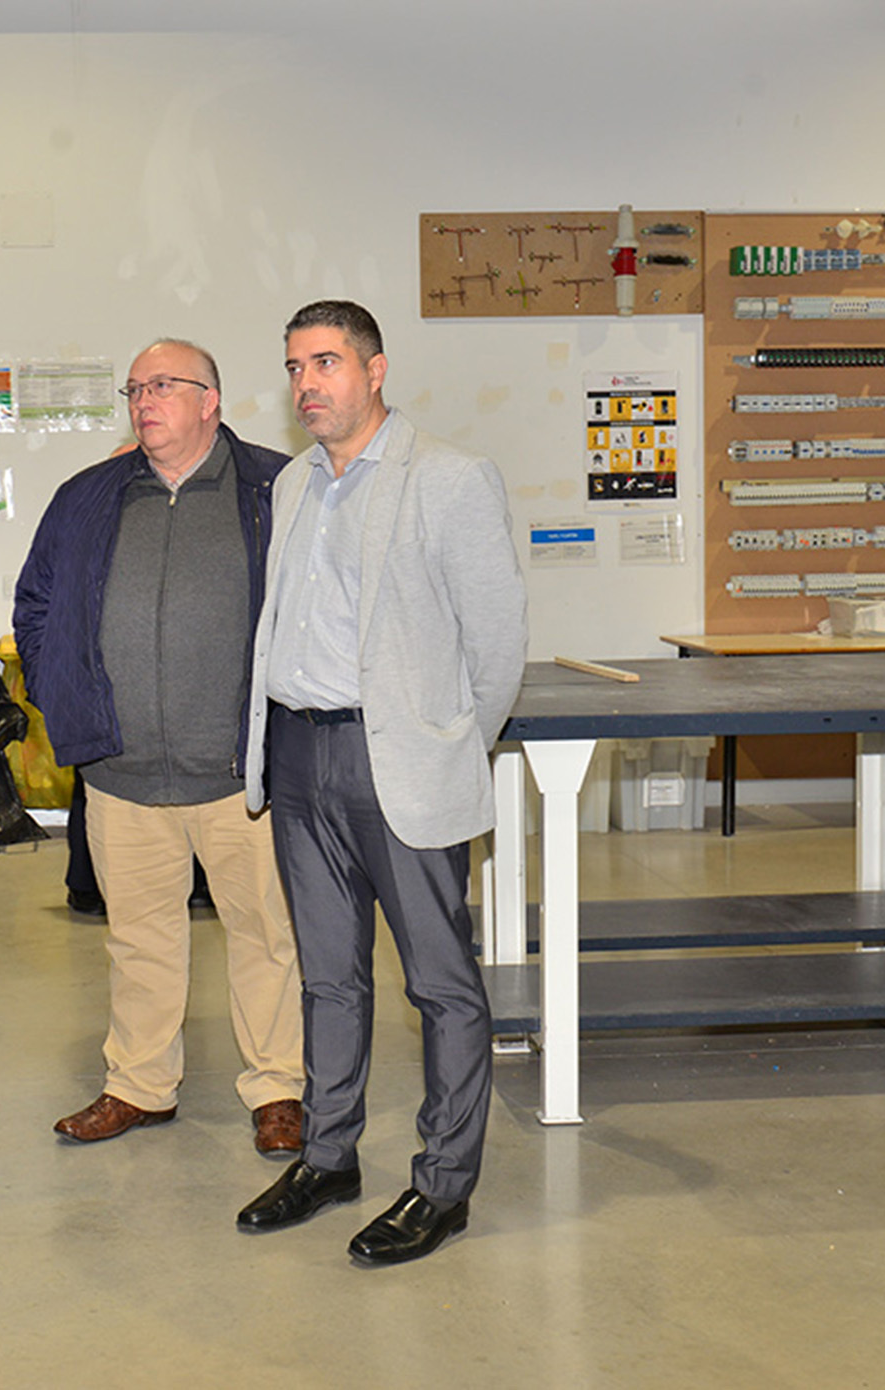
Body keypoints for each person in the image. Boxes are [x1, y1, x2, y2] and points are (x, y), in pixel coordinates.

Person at [236, 301, 527, 1265]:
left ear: (375, 369)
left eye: (325, 362)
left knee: (441, 985)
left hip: (396, 760)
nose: (306, 384)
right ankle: (328, 1158)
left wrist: (444, 744)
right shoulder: (292, 484)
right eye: (294, 367)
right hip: (298, 756)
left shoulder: (448, 478)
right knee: (328, 977)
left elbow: (497, 649)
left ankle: (443, 1185)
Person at [14, 338, 306, 1154]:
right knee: (138, 941)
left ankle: (278, 1089)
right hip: (123, 773)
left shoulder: (276, 489)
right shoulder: (88, 497)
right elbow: (36, 604)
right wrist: (62, 693)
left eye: (164, 386)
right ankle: (140, 1086)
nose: (144, 401)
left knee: (266, 937)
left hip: (243, 775)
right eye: (135, 389)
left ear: (210, 401)